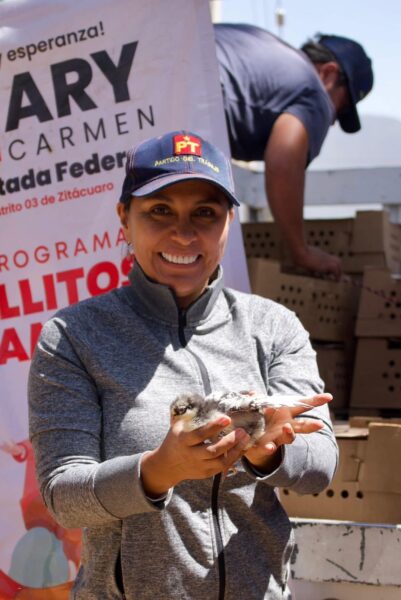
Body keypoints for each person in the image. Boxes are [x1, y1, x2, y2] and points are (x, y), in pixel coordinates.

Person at [28, 130, 338, 599]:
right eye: (160, 210)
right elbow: (63, 497)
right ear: (124, 219)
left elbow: (320, 464)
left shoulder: (273, 327)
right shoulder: (73, 336)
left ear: (229, 221)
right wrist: (159, 469)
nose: (184, 233)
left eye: (205, 213)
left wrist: (268, 451)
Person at [214, 23, 374, 278]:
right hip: (183, 95)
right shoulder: (314, 92)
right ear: (328, 74)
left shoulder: (269, 51)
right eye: (341, 107)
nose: (332, 120)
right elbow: (284, 164)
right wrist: (302, 252)